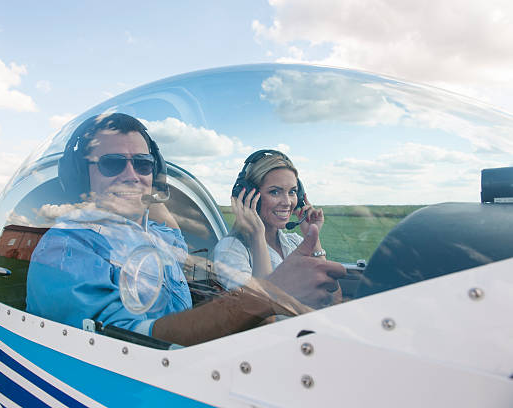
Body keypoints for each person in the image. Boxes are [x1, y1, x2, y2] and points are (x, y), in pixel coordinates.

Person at [26, 114, 345, 347]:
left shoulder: (160, 237)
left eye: (143, 164)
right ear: (81, 174)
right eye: (112, 164)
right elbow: (132, 346)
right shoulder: (66, 249)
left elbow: (174, 239)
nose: (132, 175)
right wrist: (269, 293)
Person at [214, 150, 345, 309]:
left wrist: (313, 236)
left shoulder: (294, 242)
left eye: (292, 192)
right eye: (275, 192)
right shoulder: (231, 250)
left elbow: (333, 301)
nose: (287, 202)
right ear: (248, 195)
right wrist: (258, 238)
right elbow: (260, 311)